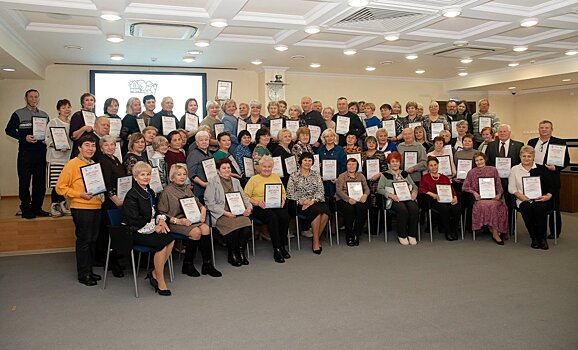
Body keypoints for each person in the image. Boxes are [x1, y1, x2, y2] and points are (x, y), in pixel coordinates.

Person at [157, 163, 221, 277]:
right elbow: (161, 214)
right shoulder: (166, 191)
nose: (182, 177)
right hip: (175, 221)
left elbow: (198, 203)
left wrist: (203, 210)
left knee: (206, 228)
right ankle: (187, 264)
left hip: (191, 219)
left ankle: (207, 264)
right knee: (196, 232)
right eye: (178, 174)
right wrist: (178, 221)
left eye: (184, 174)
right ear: (172, 177)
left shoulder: (187, 189)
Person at [55, 134, 103, 286]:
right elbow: (60, 187)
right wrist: (79, 194)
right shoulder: (72, 164)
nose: (91, 148)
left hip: (96, 206)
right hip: (81, 208)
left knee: (93, 241)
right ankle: (83, 274)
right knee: (84, 241)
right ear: (79, 148)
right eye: (87, 145)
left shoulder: (93, 163)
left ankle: (89, 270)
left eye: (93, 145)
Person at [122, 161, 175, 295]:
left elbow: (155, 211)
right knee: (162, 243)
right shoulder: (132, 195)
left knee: (170, 238)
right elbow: (134, 219)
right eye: (142, 175)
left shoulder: (149, 191)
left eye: (148, 174)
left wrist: (161, 221)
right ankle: (160, 280)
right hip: (135, 231)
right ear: (135, 177)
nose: (146, 177)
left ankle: (155, 273)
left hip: (148, 227)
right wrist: (154, 227)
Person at [5, 89, 50, 219]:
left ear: (38, 98)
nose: (34, 99)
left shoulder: (44, 115)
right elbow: (9, 130)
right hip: (26, 153)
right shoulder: (18, 114)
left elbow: (48, 133)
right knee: (24, 182)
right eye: (31, 97)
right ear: (26, 98)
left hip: (41, 153)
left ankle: (37, 208)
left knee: (39, 183)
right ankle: (25, 208)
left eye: (36, 97)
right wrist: (24, 137)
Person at [205, 158, 253, 266]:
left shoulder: (236, 181)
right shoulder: (213, 182)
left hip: (237, 212)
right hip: (221, 214)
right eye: (223, 168)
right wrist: (225, 213)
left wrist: (248, 208)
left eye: (228, 167)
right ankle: (232, 254)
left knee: (247, 224)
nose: (227, 170)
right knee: (233, 226)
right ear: (218, 170)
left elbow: (244, 198)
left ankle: (240, 251)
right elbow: (209, 203)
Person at [244, 155, 291, 263]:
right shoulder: (254, 179)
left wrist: (283, 199)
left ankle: (283, 245)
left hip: (275, 204)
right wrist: (257, 203)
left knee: (285, 216)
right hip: (260, 207)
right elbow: (245, 196)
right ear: (260, 167)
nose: (267, 169)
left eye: (269, 166)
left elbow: (283, 192)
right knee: (272, 217)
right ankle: (277, 248)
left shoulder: (276, 176)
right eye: (264, 166)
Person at [527, 120, 569, 238]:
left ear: (551, 129)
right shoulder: (532, 142)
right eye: (541, 127)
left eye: (546, 128)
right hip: (535, 177)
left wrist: (555, 167)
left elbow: (566, 161)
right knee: (536, 203)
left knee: (554, 205)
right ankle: (538, 229)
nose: (544, 130)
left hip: (551, 176)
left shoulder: (559, 142)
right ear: (538, 129)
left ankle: (555, 231)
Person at [508, 146, 554, 250]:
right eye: (524, 156)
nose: (526, 158)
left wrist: (548, 196)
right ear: (520, 156)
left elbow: (551, 186)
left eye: (529, 156)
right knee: (526, 208)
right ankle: (534, 237)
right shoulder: (515, 169)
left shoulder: (541, 169)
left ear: (533, 157)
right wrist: (520, 196)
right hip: (522, 199)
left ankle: (542, 238)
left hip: (539, 198)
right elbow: (511, 187)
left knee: (539, 208)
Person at [286, 152, 331, 254]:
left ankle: (316, 238)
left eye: (310, 160)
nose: (307, 162)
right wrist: (301, 201)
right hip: (300, 204)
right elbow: (290, 193)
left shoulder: (316, 175)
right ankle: (316, 242)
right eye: (305, 160)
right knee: (317, 213)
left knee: (325, 213)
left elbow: (321, 191)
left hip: (315, 201)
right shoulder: (293, 175)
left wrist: (312, 201)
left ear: (312, 163)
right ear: (300, 162)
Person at [462, 152, 509, 245]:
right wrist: (474, 193)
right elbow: (465, 187)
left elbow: (499, 185)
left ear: (485, 159)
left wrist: (499, 194)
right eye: (477, 160)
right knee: (486, 205)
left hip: (493, 197)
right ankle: (495, 233)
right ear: (474, 162)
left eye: (481, 159)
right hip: (480, 199)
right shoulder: (471, 172)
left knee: (496, 205)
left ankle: (492, 229)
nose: (479, 162)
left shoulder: (493, 170)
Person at [96, 135, 126, 277]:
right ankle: (112, 263)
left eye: (112, 145)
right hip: (111, 202)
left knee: (118, 232)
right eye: (106, 145)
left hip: (120, 200)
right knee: (110, 232)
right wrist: (116, 200)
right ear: (101, 148)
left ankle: (116, 260)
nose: (110, 147)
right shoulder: (103, 161)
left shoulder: (116, 160)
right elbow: (106, 184)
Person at [377, 152, 420, 246]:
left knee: (414, 209)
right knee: (402, 210)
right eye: (392, 161)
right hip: (393, 199)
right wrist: (390, 195)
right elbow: (379, 189)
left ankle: (412, 234)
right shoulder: (385, 175)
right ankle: (402, 235)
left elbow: (414, 186)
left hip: (407, 197)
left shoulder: (404, 174)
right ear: (389, 163)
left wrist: (414, 192)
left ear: (400, 162)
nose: (395, 163)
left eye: (397, 161)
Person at [486, 124, 524, 222]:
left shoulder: (518, 145)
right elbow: (488, 162)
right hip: (495, 180)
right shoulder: (491, 145)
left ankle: (511, 225)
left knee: (510, 203)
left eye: (505, 131)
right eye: (500, 131)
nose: (502, 133)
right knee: (494, 202)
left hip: (511, 179)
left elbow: (520, 163)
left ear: (509, 133)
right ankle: (495, 224)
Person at [419, 156, 462, 241]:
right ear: (428, 167)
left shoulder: (444, 177)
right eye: (431, 165)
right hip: (435, 200)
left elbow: (451, 189)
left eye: (435, 165)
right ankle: (448, 231)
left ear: (438, 165)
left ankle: (454, 230)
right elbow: (421, 189)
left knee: (457, 209)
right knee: (444, 209)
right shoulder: (425, 177)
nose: (433, 167)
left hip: (448, 199)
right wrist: (431, 194)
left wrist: (455, 197)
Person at [45, 99, 73, 217]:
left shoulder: (72, 123)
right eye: (63, 107)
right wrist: (57, 145)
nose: (66, 110)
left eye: (68, 107)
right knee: (56, 183)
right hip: (55, 158)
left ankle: (63, 204)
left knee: (64, 183)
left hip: (68, 158)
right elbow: (46, 139)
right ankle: (54, 205)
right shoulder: (53, 122)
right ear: (58, 110)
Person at [335, 158, 370, 246]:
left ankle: (356, 234)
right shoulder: (342, 176)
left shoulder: (361, 176)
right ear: (346, 166)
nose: (351, 166)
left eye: (353, 164)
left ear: (357, 166)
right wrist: (348, 199)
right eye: (349, 164)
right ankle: (349, 235)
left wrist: (365, 195)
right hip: (344, 199)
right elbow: (338, 191)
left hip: (358, 198)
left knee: (362, 208)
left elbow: (367, 189)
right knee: (349, 210)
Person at [362, 135, 388, 234]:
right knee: (368, 205)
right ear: (366, 144)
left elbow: (385, 169)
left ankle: (376, 228)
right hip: (366, 183)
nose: (371, 144)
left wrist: (378, 174)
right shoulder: (363, 155)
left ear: (376, 144)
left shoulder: (380, 154)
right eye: (369, 142)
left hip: (377, 182)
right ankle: (368, 227)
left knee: (376, 204)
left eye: (373, 142)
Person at [317, 128, 347, 205]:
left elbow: (344, 165)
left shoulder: (340, 150)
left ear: (335, 137)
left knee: (335, 202)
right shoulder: (319, 150)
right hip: (323, 181)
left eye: (331, 136)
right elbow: (316, 165)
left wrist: (338, 179)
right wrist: (320, 176)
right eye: (327, 136)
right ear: (324, 138)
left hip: (336, 180)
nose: (329, 138)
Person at [186, 130, 213, 202]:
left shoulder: (210, 154)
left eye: (206, 140)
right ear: (197, 143)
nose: (204, 142)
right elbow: (191, 173)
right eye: (201, 140)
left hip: (210, 187)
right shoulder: (193, 155)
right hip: (199, 189)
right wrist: (203, 184)